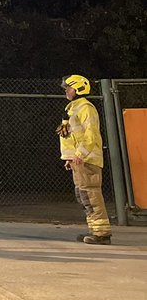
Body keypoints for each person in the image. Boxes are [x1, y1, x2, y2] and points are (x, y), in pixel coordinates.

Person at [57, 74, 112, 245]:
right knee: (84, 196)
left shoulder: (86, 108)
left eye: (69, 88)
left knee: (91, 195)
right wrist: (70, 158)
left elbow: (91, 135)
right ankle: (94, 230)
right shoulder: (73, 108)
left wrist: (80, 154)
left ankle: (102, 234)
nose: (66, 91)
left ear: (78, 89)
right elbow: (72, 136)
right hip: (79, 160)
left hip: (87, 159)